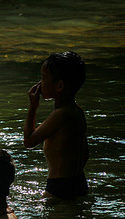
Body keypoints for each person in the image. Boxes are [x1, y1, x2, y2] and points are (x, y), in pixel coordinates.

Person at [23, 51, 89, 200]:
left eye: (43, 78)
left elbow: (29, 141)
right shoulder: (77, 112)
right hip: (80, 184)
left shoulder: (60, 114)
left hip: (59, 188)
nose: (40, 84)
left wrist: (33, 107)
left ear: (59, 85)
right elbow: (85, 154)